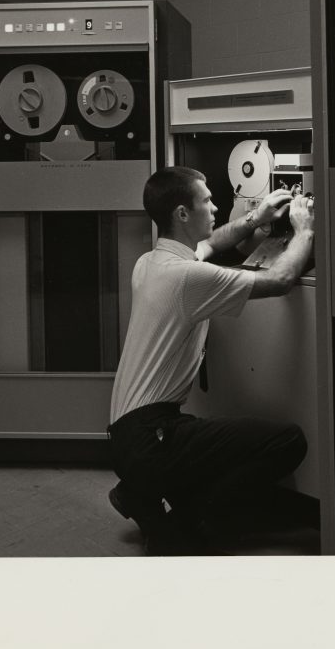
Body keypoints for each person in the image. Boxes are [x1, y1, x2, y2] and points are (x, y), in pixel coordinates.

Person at [107, 165, 316, 555]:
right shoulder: (187, 277)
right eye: (207, 201)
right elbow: (281, 280)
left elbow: (210, 244)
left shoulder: (151, 263)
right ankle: (186, 525)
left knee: (204, 446)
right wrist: (303, 229)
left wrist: (257, 216)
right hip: (151, 438)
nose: (217, 207)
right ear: (183, 214)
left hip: (127, 436)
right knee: (288, 440)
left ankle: (136, 492)